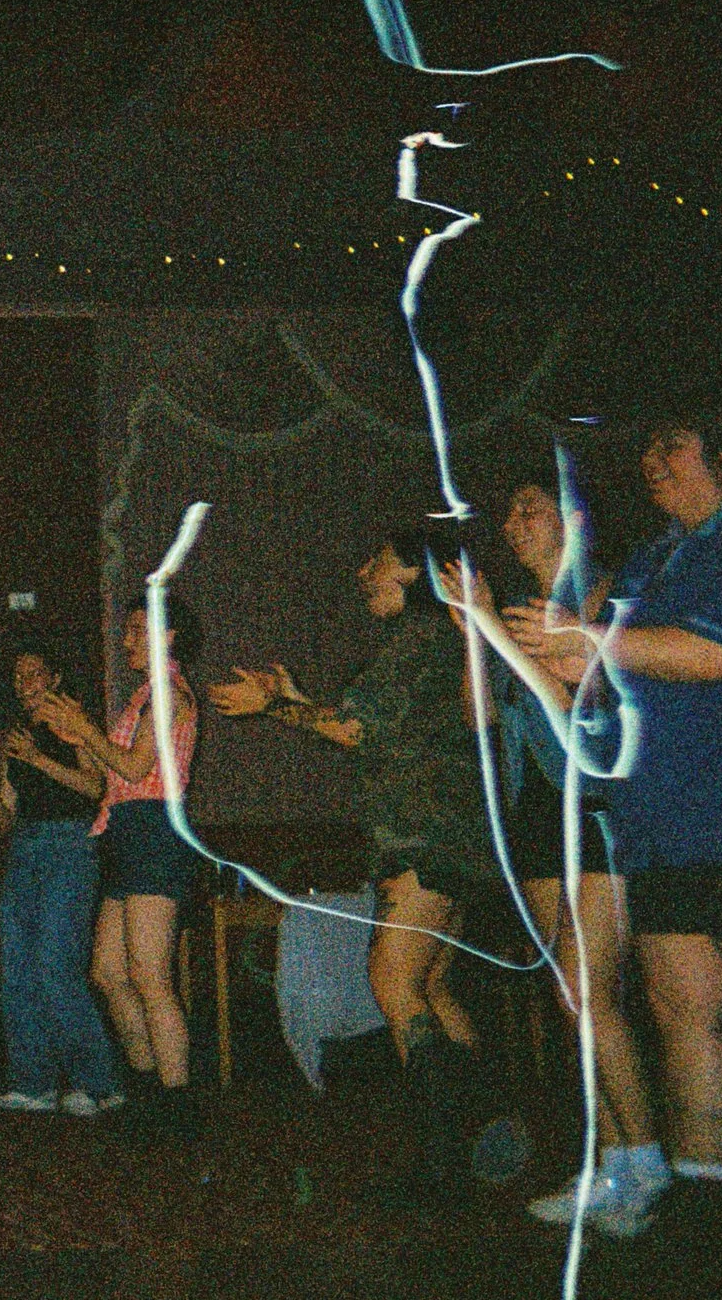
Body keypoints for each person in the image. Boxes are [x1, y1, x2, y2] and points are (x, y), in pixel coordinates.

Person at [510, 392, 722, 1234]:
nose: (653, 461)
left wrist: (584, 642)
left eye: (673, 445)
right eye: (649, 449)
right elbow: (597, 675)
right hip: (662, 825)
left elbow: (710, 657)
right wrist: (535, 642)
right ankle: (704, 1190)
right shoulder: (651, 561)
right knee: (683, 1008)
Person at [211, 523, 520, 1202]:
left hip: (426, 838)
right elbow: (372, 735)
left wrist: (276, 706)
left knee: (392, 980)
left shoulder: (419, 638)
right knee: (433, 986)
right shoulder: (438, 640)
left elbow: (352, 728)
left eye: (375, 561)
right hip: (458, 838)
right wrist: (290, 699)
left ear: (415, 573)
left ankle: (441, 1158)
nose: (361, 572)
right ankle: (487, 1122)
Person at [444, 477, 663, 1235]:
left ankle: (646, 1157)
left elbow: (572, 707)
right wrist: (475, 632)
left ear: (575, 519)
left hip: (599, 811)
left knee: (588, 990)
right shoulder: (512, 615)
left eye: (530, 507)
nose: (513, 520)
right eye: (508, 510)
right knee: (571, 1002)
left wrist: (498, 631)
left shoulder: (609, 601)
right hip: (538, 811)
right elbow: (481, 718)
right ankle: (609, 1164)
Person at [36, 605, 203, 1143]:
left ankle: (177, 1108)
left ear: (168, 635)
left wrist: (86, 730)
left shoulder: (170, 693)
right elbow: (104, 774)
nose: (127, 638)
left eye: (138, 629)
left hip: (155, 828)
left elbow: (135, 769)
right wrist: (75, 734)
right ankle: (150, 1089)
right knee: (109, 972)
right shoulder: (142, 695)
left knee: (151, 974)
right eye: (127, 629)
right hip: (126, 831)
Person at [0, 638, 120, 1119]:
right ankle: (32, 1083)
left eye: (34, 673)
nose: (24, 684)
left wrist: (37, 759)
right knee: (18, 967)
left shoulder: (72, 722)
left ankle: (97, 1084)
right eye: (18, 677)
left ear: (55, 679)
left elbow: (94, 786)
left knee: (57, 966)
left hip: (69, 845)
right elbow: (6, 817)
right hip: (26, 848)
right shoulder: (17, 735)